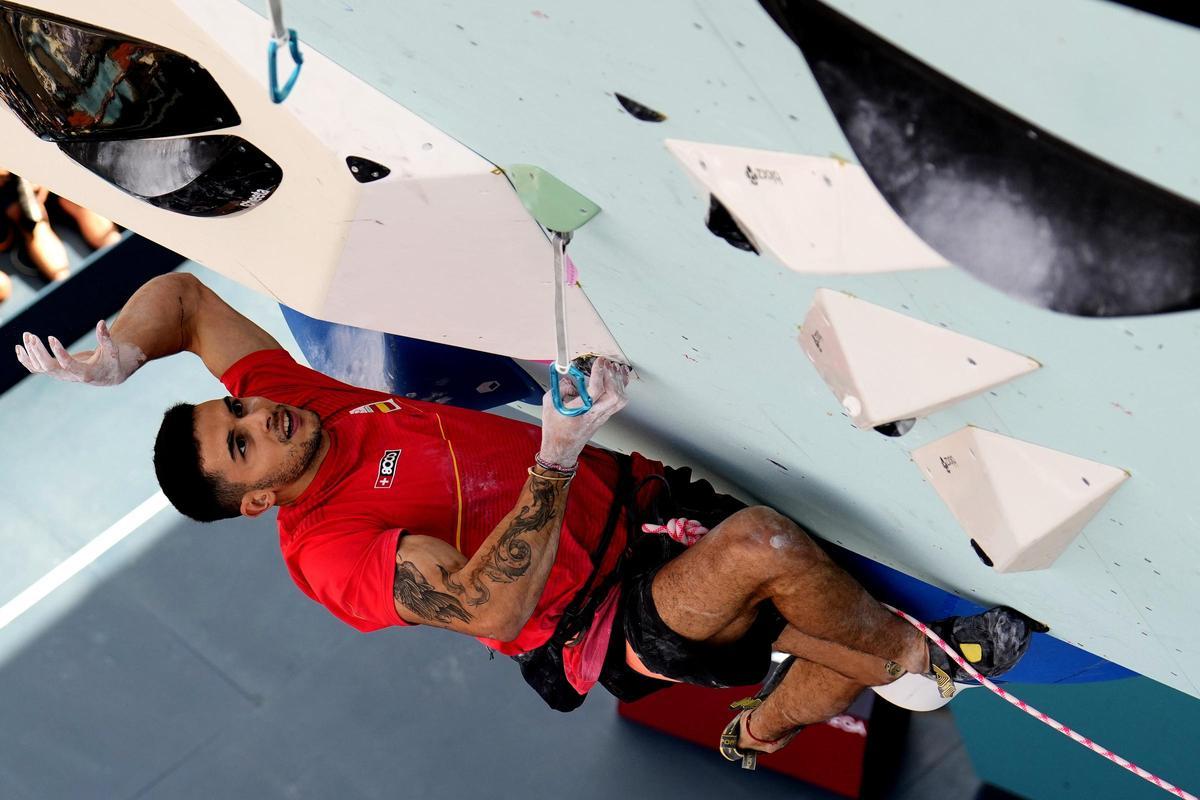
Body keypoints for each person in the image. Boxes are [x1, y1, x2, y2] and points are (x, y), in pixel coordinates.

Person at [14, 272, 1043, 768]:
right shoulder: (324, 551)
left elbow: (187, 300)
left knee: (806, 593)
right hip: (600, 616)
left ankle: (769, 719)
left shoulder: (299, 402)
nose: (256, 413)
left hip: (639, 505)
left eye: (234, 407)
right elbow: (489, 600)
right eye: (243, 441)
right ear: (257, 499)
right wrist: (553, 450)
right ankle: (906, 663)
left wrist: (115, 353)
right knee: (767, 552)